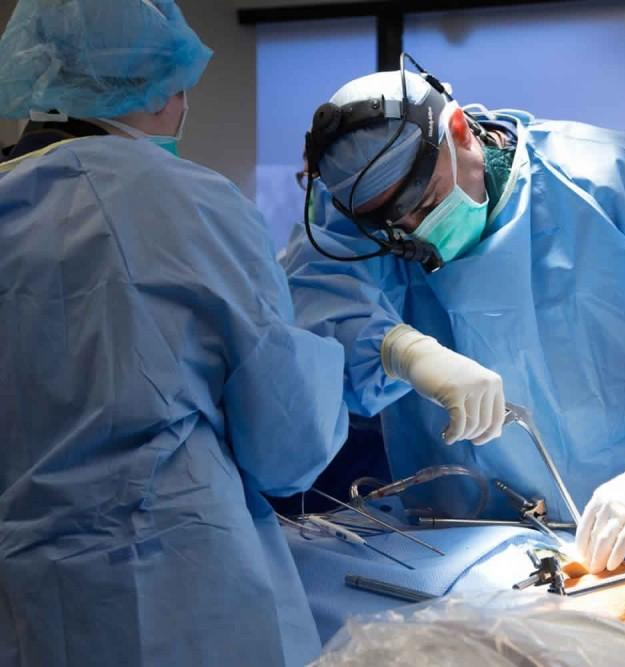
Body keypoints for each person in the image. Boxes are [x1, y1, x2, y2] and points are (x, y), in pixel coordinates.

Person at [281, 63, 625, 573]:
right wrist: (400, 349)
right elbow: (310, 303)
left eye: (425, 201)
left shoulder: (603, 181)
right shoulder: (356, 214)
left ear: (459, 132)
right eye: (393, 226)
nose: (414, 231)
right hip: (466, 553)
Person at [0, 1, 348, 665]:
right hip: (177, 597)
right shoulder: (191, 204)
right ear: (165, 88)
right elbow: (287, 444)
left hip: (23, 608)